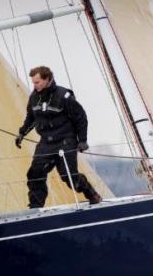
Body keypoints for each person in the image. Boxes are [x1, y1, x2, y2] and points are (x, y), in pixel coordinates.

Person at [15, 66, 101, 208]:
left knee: (68, 176)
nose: (34, 85)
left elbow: (80, 117)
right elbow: (31, 118)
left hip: (65, 141)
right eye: (33, 82)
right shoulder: (34, 97)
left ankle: (92, 194)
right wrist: (22, 133)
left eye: (37, 82)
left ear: (47, 79)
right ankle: (36, 207)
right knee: (35, 173)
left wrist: (83, 140)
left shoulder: (63, 95)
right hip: (46, 143)